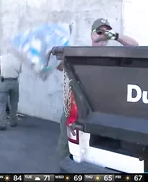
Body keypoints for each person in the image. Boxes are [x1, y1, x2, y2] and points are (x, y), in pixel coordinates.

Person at [57, 18, 139, 159]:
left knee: (99, 152)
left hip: (102, 112)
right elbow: (60, 66)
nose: (103, 34)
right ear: (91, 35)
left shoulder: (114, 55)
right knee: (67, 145)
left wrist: (115, 35)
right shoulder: (81, 54)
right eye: (99, 31)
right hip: (76, 112)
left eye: (106, 31)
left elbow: (135, 46)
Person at [0, 52, 22, 130]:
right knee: (14, 103)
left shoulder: (2, 57)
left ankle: (2, 123)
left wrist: (1, 72)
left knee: (2, 103)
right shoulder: (18, 59)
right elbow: (19, 71)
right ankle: (13, 121)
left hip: (4, 82)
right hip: (14, 82)